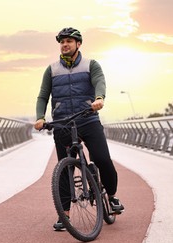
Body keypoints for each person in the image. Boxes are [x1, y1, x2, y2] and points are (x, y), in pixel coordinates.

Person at [34, 27, 124, 231]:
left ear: (78, 44)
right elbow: (43, 96)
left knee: (101, 159)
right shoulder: (52, 69)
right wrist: (40, 117)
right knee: (65, 168)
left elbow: (99, 82)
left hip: (88, 119)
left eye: (69, 41)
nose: (64, 44)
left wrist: (99, 98)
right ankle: (64, 215)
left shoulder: (90, 65)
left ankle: (112, 196)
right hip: (63, 123)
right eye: (62, 42)